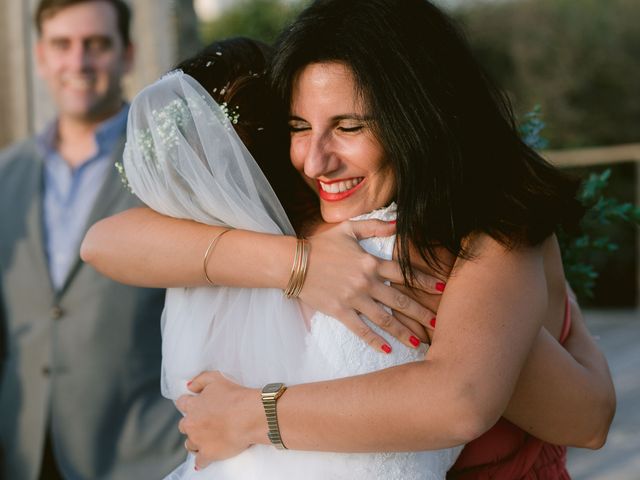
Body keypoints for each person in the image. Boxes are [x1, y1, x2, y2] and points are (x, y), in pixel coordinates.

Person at [81, 0, 615, 478]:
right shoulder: (316, 213)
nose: (316, 160)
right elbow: (106, 242)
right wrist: (300, 264)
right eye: (298, 126)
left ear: (420, 119)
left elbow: (480, 403)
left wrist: (252, 414)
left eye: (350, 126)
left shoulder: (491, 233)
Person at [0, 1, 183, 478]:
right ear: (41, 57)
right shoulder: (6, 173)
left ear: (127, 55)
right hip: (23, 454)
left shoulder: (170, 164)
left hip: (145, 455)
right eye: (62, 45)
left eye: (96, 45)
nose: (78, 62)